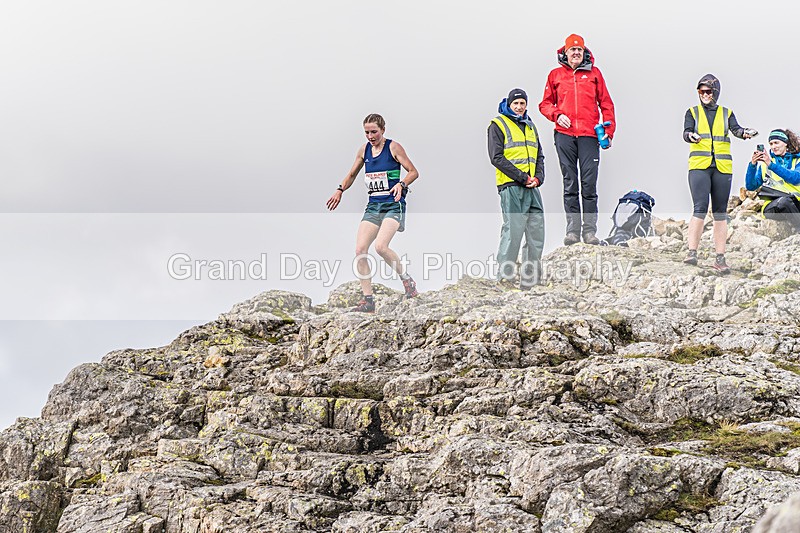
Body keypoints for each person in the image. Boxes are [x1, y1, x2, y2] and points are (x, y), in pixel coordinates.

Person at [326, 113, 420, 312]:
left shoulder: (393, 147)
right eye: (367, 132)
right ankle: (368, 300)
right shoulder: (364, 150)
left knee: (381, 247)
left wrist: (402, 184)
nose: (370, 136)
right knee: (360, 250)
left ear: (383, 130)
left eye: (374, 132)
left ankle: (407, 280)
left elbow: (413, 171)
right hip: (373, 206)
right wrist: (339, 190)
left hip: (393, 204)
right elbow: (351, 174)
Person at [539, 33, 615, 246]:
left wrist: (609, 131)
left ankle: (589, 232)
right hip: (564, 135)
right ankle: (572, 231)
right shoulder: (555, 75)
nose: (575, 53)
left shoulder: (594, 73)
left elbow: (606, 104)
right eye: (572, 50)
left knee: (589, 184)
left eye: (579, 50)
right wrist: (557, 115)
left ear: (584, 52)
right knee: (570, 182)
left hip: (589, 136)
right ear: (565, 52)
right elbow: (544, 104)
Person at [683, 74, 757, 274]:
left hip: (722, 168)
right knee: (699, 207)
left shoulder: (727, 113)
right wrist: (691, 136)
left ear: (715, 92)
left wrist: (745, 133)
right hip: (699, 165)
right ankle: (691, 252)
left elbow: (736, 129)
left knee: (720, 212)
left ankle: (720, 258)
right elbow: (686, 132)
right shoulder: (692, 112)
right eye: (701, 91)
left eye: (708, 91)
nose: (704, 95)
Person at [488, 88, 545, 290]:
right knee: (513, 230)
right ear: (509, 104)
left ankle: (531, 280)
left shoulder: (531, 126)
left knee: (537, 232)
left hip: (532, 187)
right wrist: (522, 178)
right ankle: (505, 276)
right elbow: (496, 157)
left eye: (522, 103)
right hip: (511, 185)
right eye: (516, 104)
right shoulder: (498, 124)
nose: (519, 107)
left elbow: (539, 156)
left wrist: (538, 178)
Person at [745, 129, 800, 229]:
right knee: (784, 202)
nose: (773, 147)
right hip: (773, 207)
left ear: (786, 143)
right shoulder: (765, 165)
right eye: (771, 144)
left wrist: (771, 165)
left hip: (796, 203)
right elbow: (751, 186)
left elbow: (795, 178)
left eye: (776, 143)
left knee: (787, 202)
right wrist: (752, 165)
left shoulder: (797, 161)